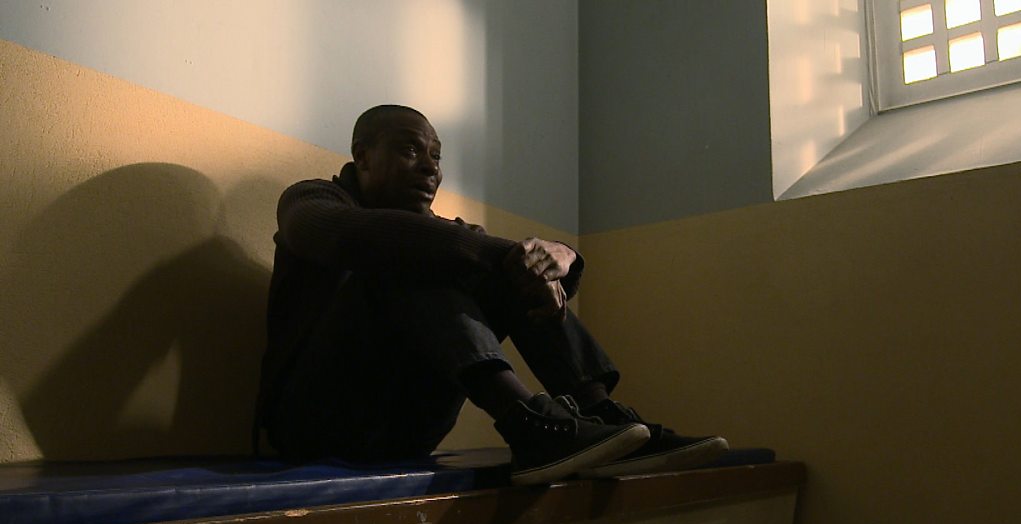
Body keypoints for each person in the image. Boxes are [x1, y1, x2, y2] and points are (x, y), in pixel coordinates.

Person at [255, 104, 726, 484]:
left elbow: (499, 261)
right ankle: (525, 420)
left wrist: (561, 256)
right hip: (313, 424)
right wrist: (510, 255)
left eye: (436, 157)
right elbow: (349, 235)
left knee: (489, 267)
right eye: (410, 150)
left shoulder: (443, 233)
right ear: (362, 156)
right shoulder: (310, 200)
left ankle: (603, 417)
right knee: (412, 249)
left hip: (406, 426)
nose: (430, 167)